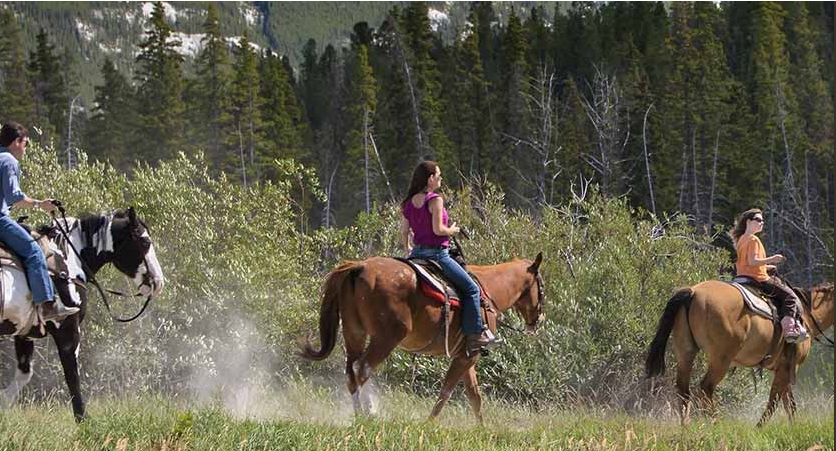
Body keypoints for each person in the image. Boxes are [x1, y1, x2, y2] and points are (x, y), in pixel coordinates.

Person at [400, 161, 494, 356]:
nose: (441, 179)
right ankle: (475, 335)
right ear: (430, 179)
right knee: (471, 289)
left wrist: (407, 247)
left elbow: (404, 230)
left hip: (417, 253)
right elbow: (438, 230)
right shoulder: (435, 200)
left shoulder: (408, 202)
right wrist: (453, 230)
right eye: (438, 175)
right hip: (437, 254)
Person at [0, 121, 78, 321]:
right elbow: (14, 197)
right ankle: (47, 305)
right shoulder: (8, 160)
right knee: (34, 252)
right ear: (16, 142)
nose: (26, 148)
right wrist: (41, 204)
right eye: (25, 143)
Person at [731, 208, 807, 342]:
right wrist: (772, 259)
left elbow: (747, 263)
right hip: (758, 278)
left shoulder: (741, 239)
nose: (762, 223)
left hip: (742, 277)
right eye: (758, 220)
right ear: (748, 221)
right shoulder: (753, 240)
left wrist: (766, 266)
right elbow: (752, 261)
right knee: (790, 297)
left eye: (763, 221)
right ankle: (789, 330)